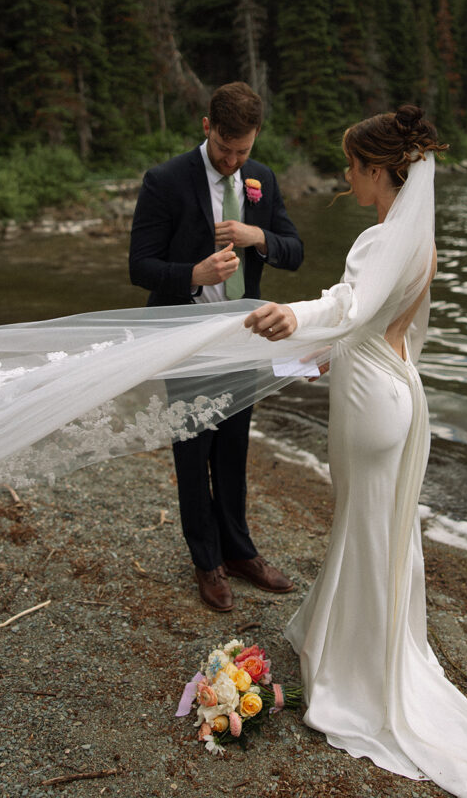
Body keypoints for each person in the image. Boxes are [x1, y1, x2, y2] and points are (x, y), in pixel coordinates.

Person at [244, 106, 467, 798]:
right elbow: (389, 325)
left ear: (383, 171)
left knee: (364, 529)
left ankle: (359, 675)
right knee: (377, 531)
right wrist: (328, 351)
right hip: (395, 390)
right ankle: (362, 648)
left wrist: (295, 317)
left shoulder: (378, 241)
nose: (347, 177)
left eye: (354, 166)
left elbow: (350, 300)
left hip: (370, 404)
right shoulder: (416, 243)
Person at [129, 82, 303, 613]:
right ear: (207, 127)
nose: (233, 162)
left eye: (243, 151)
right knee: (193, 451)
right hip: (184, 339)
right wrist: (194, 274)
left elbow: (294, 252)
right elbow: (140, 266)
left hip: (240, 338)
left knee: (233, 448)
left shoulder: (262, 180)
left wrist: (258, 239)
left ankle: (240, 551)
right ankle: (206, 561)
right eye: (226, 148)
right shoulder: (165, 181)